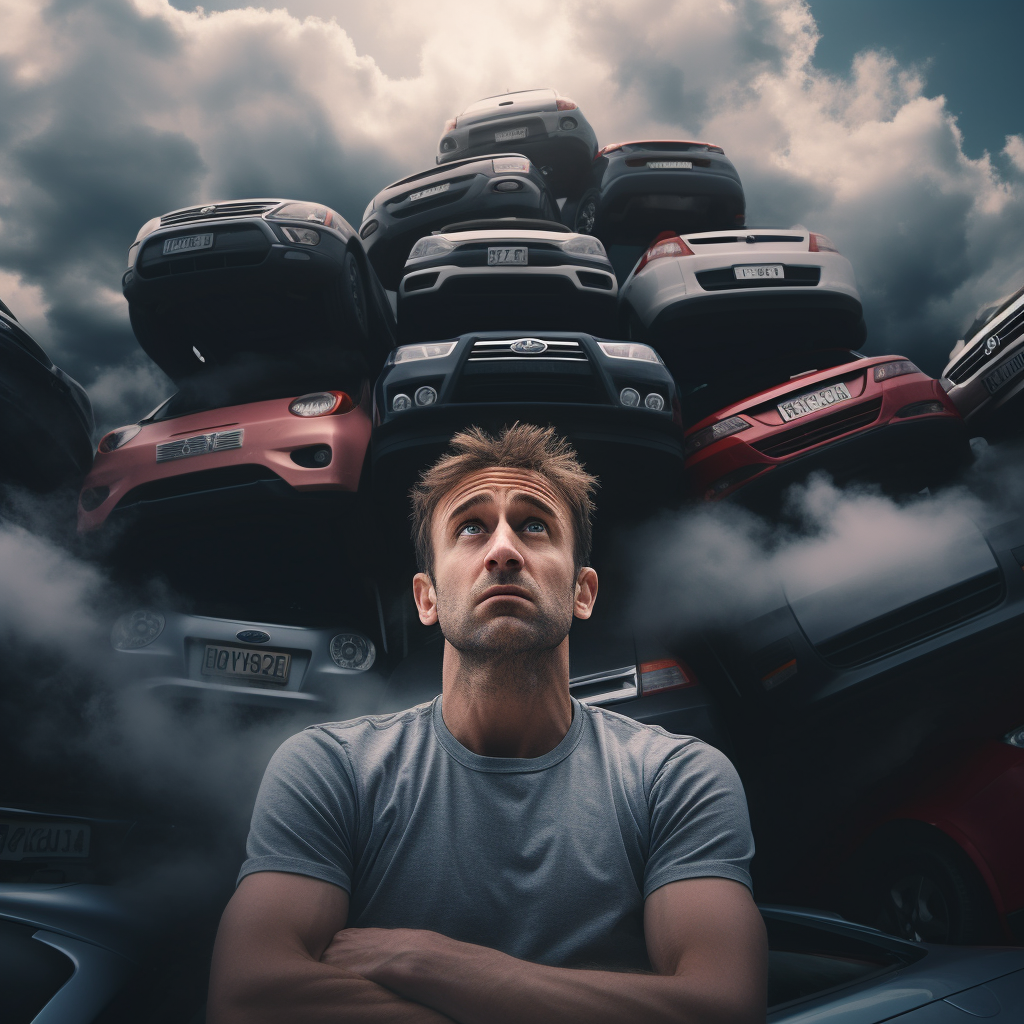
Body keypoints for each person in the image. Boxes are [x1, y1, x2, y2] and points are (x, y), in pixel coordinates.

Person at [208, 423, 767, 1024]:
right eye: (471, 528)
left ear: (583, 592)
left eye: (535, 525)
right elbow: (247, 998)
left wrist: (433, 963)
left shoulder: (676, 778)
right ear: (427, 598)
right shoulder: (331, 769)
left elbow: (721, 1009)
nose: (503, 549)